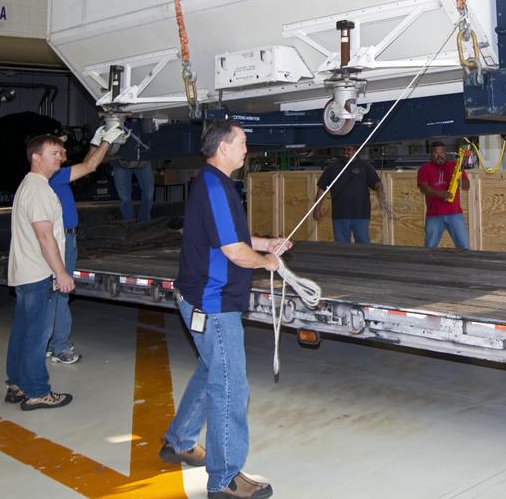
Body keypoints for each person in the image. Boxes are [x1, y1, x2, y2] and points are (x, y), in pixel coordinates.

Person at [160, 119, 288, 499]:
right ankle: (225, 479)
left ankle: (179, 442)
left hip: (202, 299)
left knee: (210, 371)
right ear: (223, 147)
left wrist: (267, 243)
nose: (247, 149)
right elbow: (233, 251)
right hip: (212, 303)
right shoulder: (215, 187)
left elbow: (233, 235)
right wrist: (266, 262)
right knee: (231, 386)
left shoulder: (215, 184)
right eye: (243, 142)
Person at [4, 134, 75, 411]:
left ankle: (17, 383)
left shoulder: (31, 185)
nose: (61, 157)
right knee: (37, 334)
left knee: (22, 331)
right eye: (54, 153)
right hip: (38, 274)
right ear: (36, 157)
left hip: (26, 272)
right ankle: (36, 391)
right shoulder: (38, 191)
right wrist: (62, 272)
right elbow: (46, 237)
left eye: (61, 152)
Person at [46, 123, 124, 365]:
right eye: (58, 151)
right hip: (63, 239)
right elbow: (89, 167)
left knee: (55, 293)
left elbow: (85, 167)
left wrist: (95, 142)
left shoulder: (52, 175)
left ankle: (50, 344)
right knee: (60, 293)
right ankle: (59, 346)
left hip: (66, 236)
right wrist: (108, 142)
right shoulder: (55, 176)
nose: (64, 153)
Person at [316, 145, 390, 244]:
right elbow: (322, 187)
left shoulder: (365, 166)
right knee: (341, 246)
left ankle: (363, 260)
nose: (345, 152)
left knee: (363, 243)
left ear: (356, 151)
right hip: (340, 214)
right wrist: (317, 207)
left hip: (360, 214)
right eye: (344, 149)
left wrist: (380, 189)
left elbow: (376, 182)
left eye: (349, 149)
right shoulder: (333, 167)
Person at [416, 141, 470, 249]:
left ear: (446, 153)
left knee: (464, 248)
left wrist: (460, 179)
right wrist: (440, 193)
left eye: (442, 152)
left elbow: (466, 186)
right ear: (431, 154)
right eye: (436, 153)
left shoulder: (455, 166)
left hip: (455, 214)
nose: (439, 155)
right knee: (429, 248)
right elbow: (423, 188)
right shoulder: (424, 168)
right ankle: (427, 266)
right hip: (434, 215)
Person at [111, 118, 155, 224]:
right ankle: (129, 222)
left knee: (148, 192)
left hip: (142, 160)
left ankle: (143, 221)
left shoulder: (146, 119)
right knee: (124, 196)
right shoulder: (116, 119)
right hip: (121, 161)